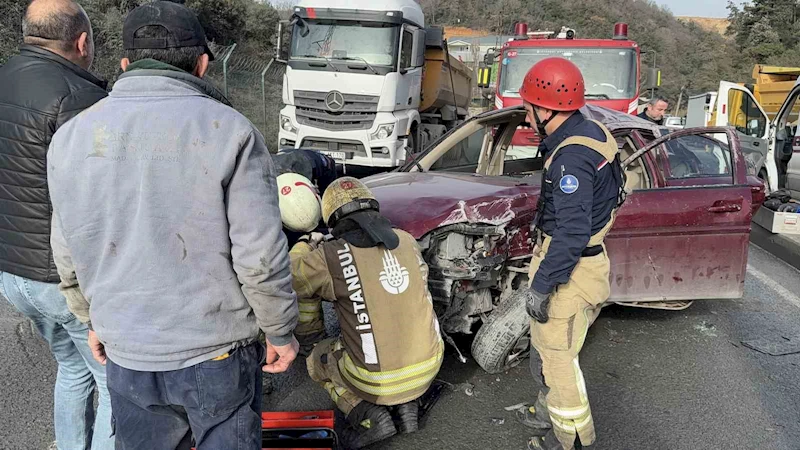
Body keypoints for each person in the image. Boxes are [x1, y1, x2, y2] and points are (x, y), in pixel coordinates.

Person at [46, 2, 299, 449]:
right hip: (215, 351)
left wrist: (91, 318)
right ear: (202, 63)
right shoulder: (231, 131)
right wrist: (279, 329)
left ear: (124, 64)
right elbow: (258, 255)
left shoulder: (71, 136)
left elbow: (67, 249)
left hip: (127, 349)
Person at [0, 1, 113, 448]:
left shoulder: (5, 76)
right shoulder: (80, 98)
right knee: (111, 385)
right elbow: (101, 200)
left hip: (12, 271)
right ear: (82, 41)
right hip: (62, 278)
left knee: (71, 368)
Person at [514, 58, 625, 450]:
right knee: (549, 349)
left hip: (571, 270)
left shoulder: (571, 159)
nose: (526, 118)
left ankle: (571, 439)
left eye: (528, 109)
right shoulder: (591, 131)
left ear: (546, 108)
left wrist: (543, 285)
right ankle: (547, 415)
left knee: (557, 359)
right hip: (586, 262)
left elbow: (572, 232)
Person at [289, 177, 444, 449]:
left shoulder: (331, 255)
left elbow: (292, 277)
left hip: (375, 380)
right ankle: (408, 406)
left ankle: (366, 413)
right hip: (429, 367)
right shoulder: (407, 241)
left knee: (317, 361)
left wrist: (304, 242)